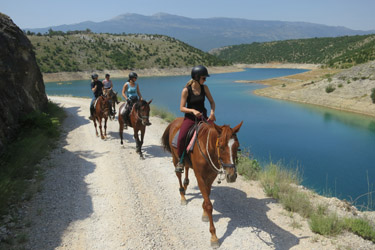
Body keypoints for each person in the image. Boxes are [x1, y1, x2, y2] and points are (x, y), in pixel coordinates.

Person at [175, 65, 216, 173]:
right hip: (190, 119)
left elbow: (212, 102)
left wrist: (212, 113)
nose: (205, 80)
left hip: (203, 117)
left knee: (216, 135)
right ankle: (181, 160)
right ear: (196, 77)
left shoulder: (205, 88)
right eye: (203, 78)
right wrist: (192, 111)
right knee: (182, 137)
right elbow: (181, 108)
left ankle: (217, 158)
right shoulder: (186, 90)